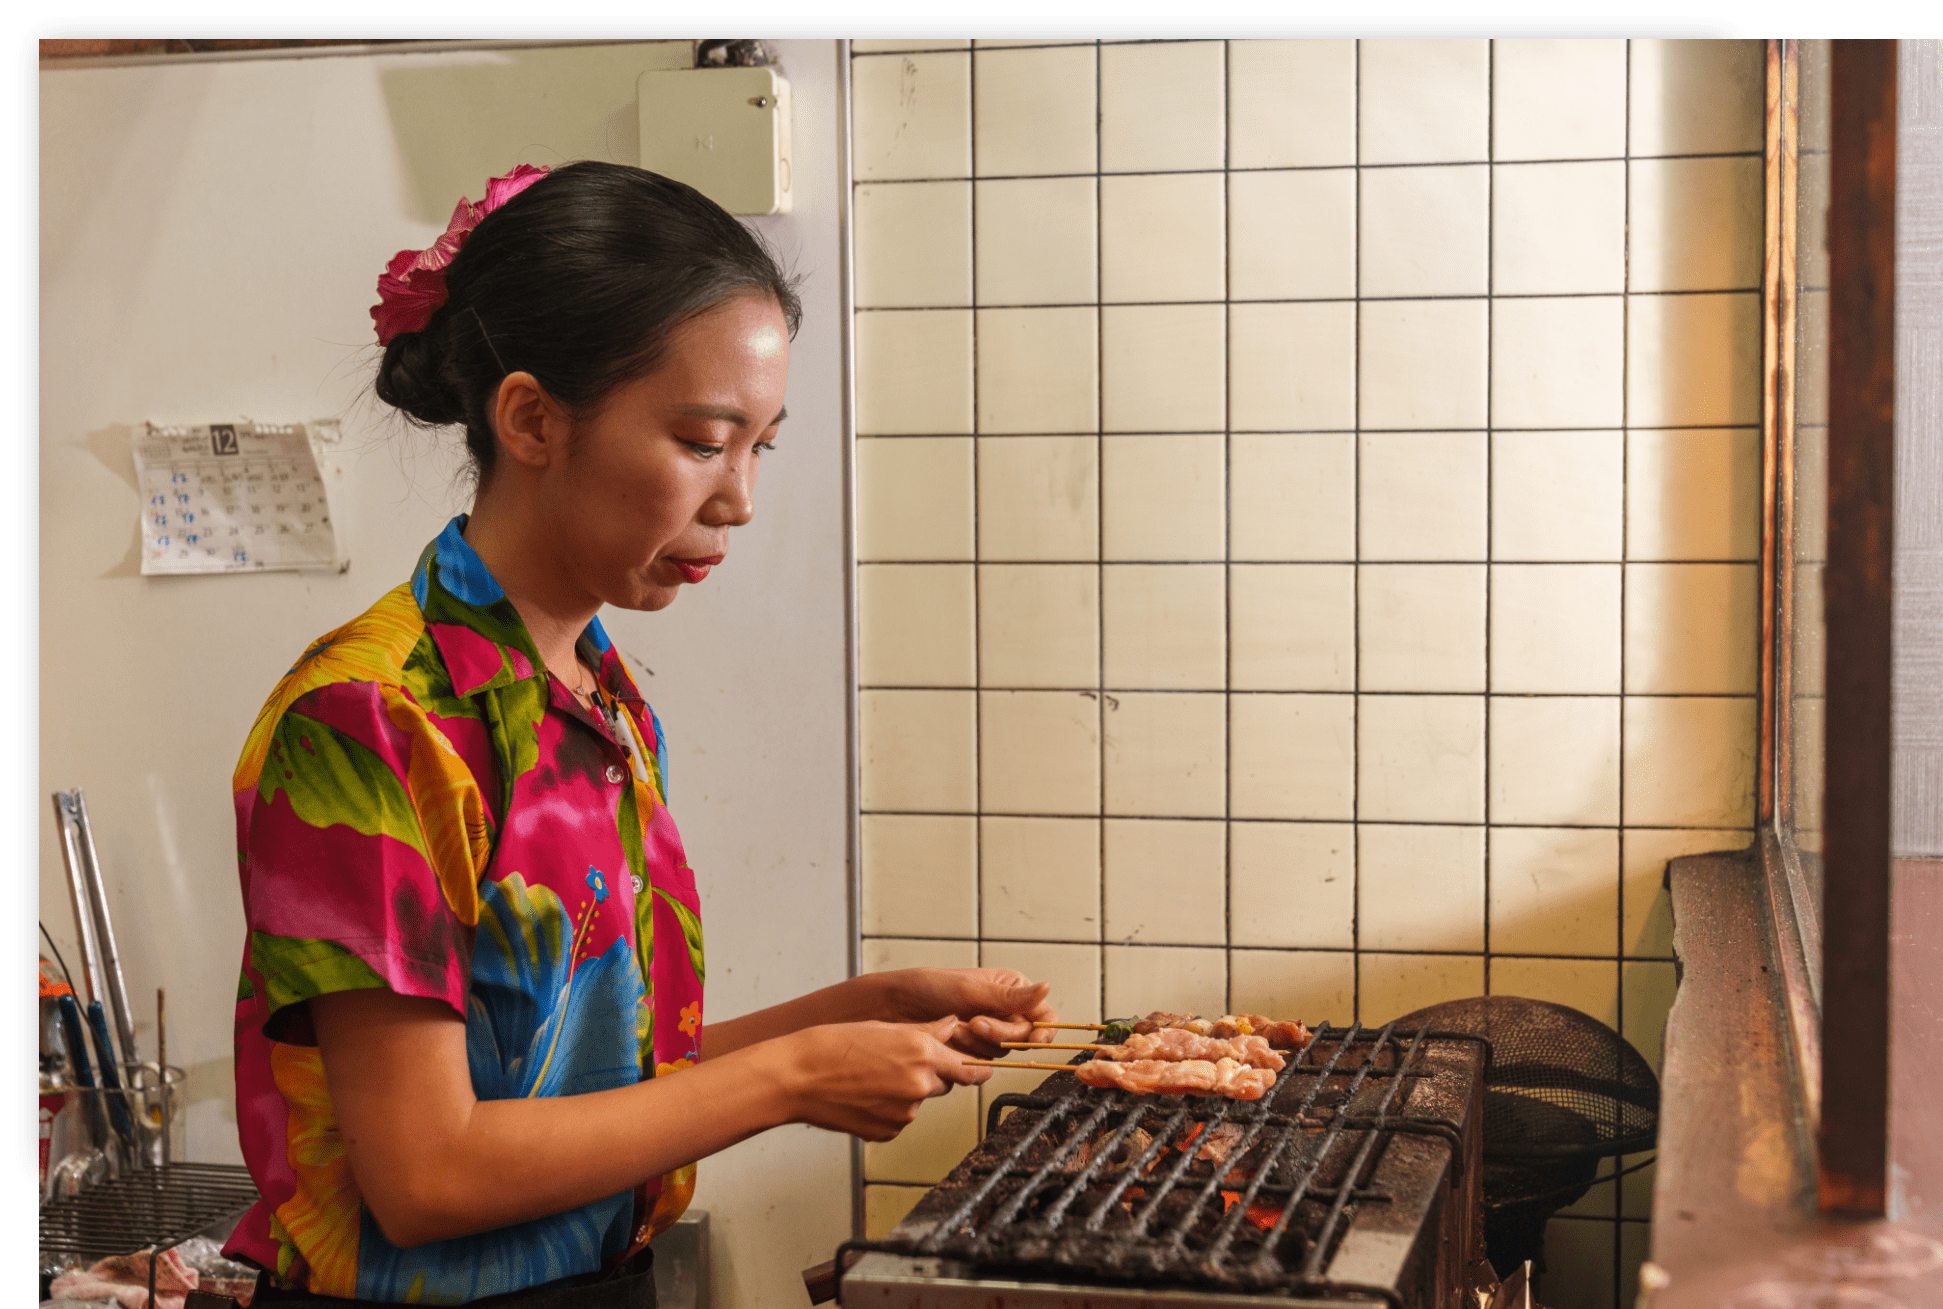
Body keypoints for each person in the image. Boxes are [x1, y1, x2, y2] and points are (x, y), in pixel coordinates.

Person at [225, 160, 1058, 1307]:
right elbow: (426, 1173)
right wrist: (797, 1074)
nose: (740, 499)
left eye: (760, 444)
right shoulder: (372, 718)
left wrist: (854, 1009)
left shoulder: (598, 696)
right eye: (702, 439)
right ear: (530, 418)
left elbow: (590, 1078)